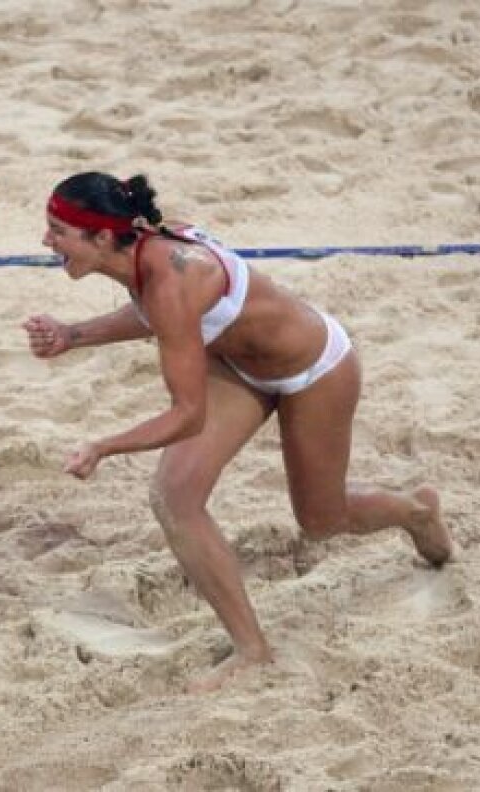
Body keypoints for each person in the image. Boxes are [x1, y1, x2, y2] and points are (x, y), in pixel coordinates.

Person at [22, 171, 451, 693]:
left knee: (322, 520)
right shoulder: (144, 257)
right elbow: (158, 315)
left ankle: (416, 510)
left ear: (102, 237)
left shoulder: (173, 277)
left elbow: (187, 414)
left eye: (58, 231)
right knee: (175, 496)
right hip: (242, 367)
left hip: (317, 370)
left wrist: (104, 446)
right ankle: (252, 649)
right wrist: (73, 335)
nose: (46, 241)